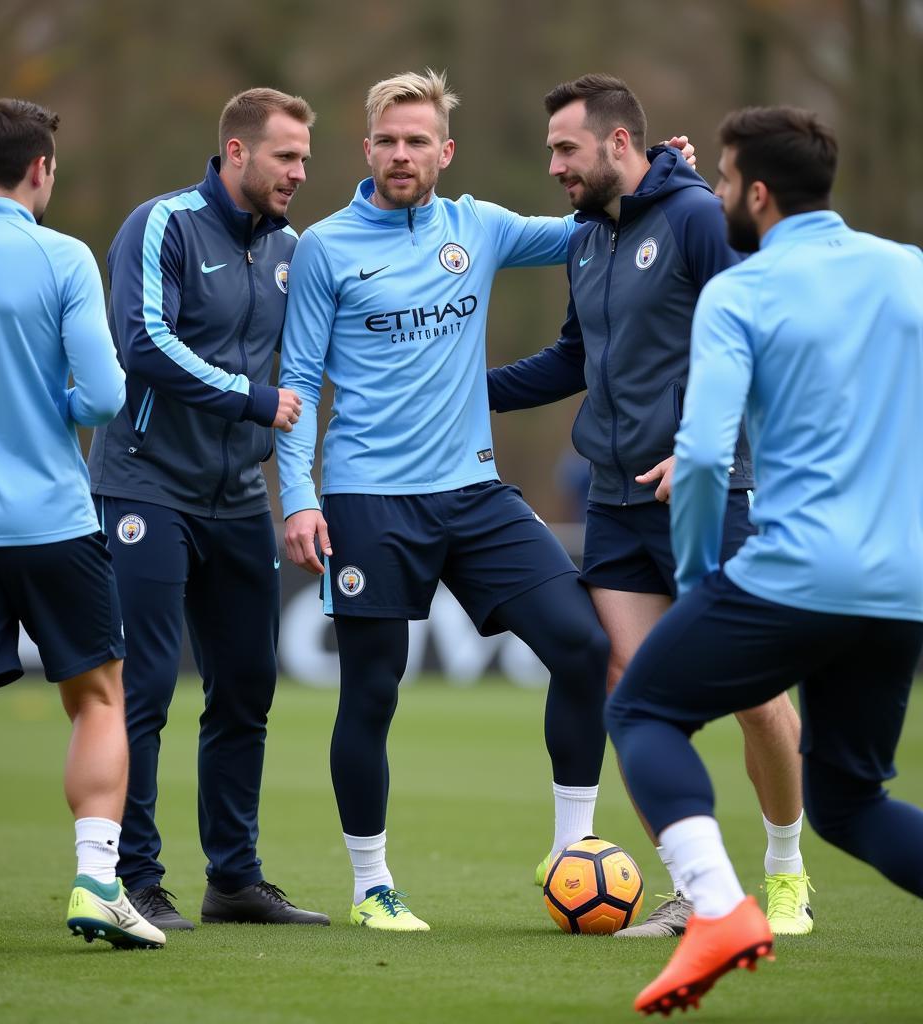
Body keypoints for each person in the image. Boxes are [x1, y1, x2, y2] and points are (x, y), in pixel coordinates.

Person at [278, 68, 693, 931]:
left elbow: (601, 215)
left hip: (473, 491)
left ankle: (570, 847)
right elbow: (294, 384)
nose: (402, 154)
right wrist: (297, 498)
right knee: (372, 692)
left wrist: (664, 173)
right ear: (367, 149)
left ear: (445, 151)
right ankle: (370, 885)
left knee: (581, 647)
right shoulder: (324, 246)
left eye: (417, 140)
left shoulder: (484, 227)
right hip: (367, 498)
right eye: (387, 140)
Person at [605, 105, 923, 1015]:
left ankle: (716, 910)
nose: (711, 195)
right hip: (901, 587)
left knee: (643, 709)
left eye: (722, 178)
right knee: (850, 805)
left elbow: (702, 458)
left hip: (792, 574)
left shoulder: (740, 292)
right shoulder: (908, 272)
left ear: (754, 191)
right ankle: (736, 903)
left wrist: (702, 580)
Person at [487, 74, 811, 938]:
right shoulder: (588, 239)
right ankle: (701, 892)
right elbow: (570, 359)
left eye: (567, 148)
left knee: (752, 697)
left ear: (619, 144)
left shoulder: (701, 216)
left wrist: (703, 446)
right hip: (617, 501)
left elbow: (757, 333)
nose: (554, 164)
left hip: (709, 495)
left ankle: (786, 873)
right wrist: (462, 392)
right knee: (630, 695)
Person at [0, 98, 164, 952]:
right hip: (53, 521)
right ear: (42, 168)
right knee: (96, 700)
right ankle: (94, 881)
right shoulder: (62, 257)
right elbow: (104, 395)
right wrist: (45, 404)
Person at [87, 88, 328, 930]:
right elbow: (141, 344)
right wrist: (250, 399)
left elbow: (302, 371)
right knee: (146, 686)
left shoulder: (294, 248)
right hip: (146, 484)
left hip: (235, 499)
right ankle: (133, 880)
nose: (301, 171)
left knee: (247, 688)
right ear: (235, 153)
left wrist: (290, 473)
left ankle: (234, 880)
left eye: (305, 156)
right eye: (286, 157)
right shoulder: (163, 226)